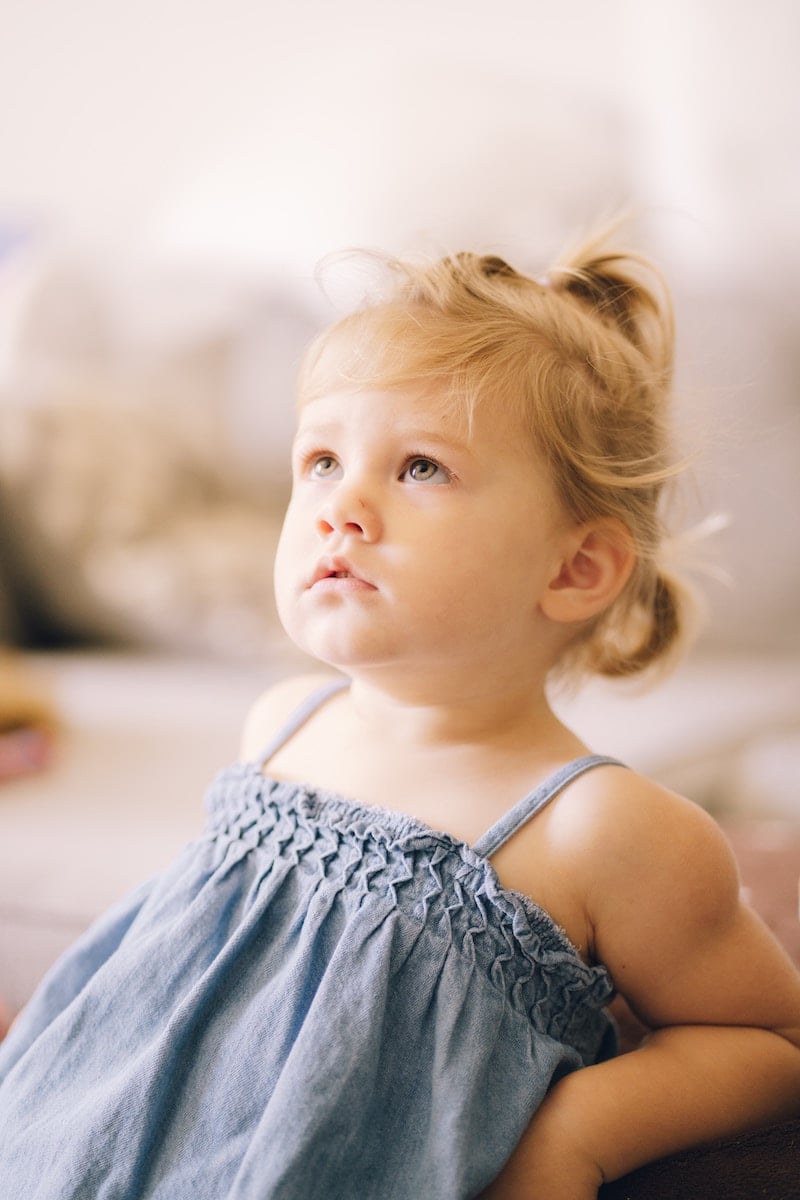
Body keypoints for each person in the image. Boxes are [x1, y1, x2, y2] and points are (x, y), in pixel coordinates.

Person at [0, 227, 799, 1200]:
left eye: (419, 467)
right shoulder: (284, 724)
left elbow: (767, 1038)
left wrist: (576, 1135)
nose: (342, 507)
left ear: (574, 568)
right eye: (321, 462)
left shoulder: (600, 827)